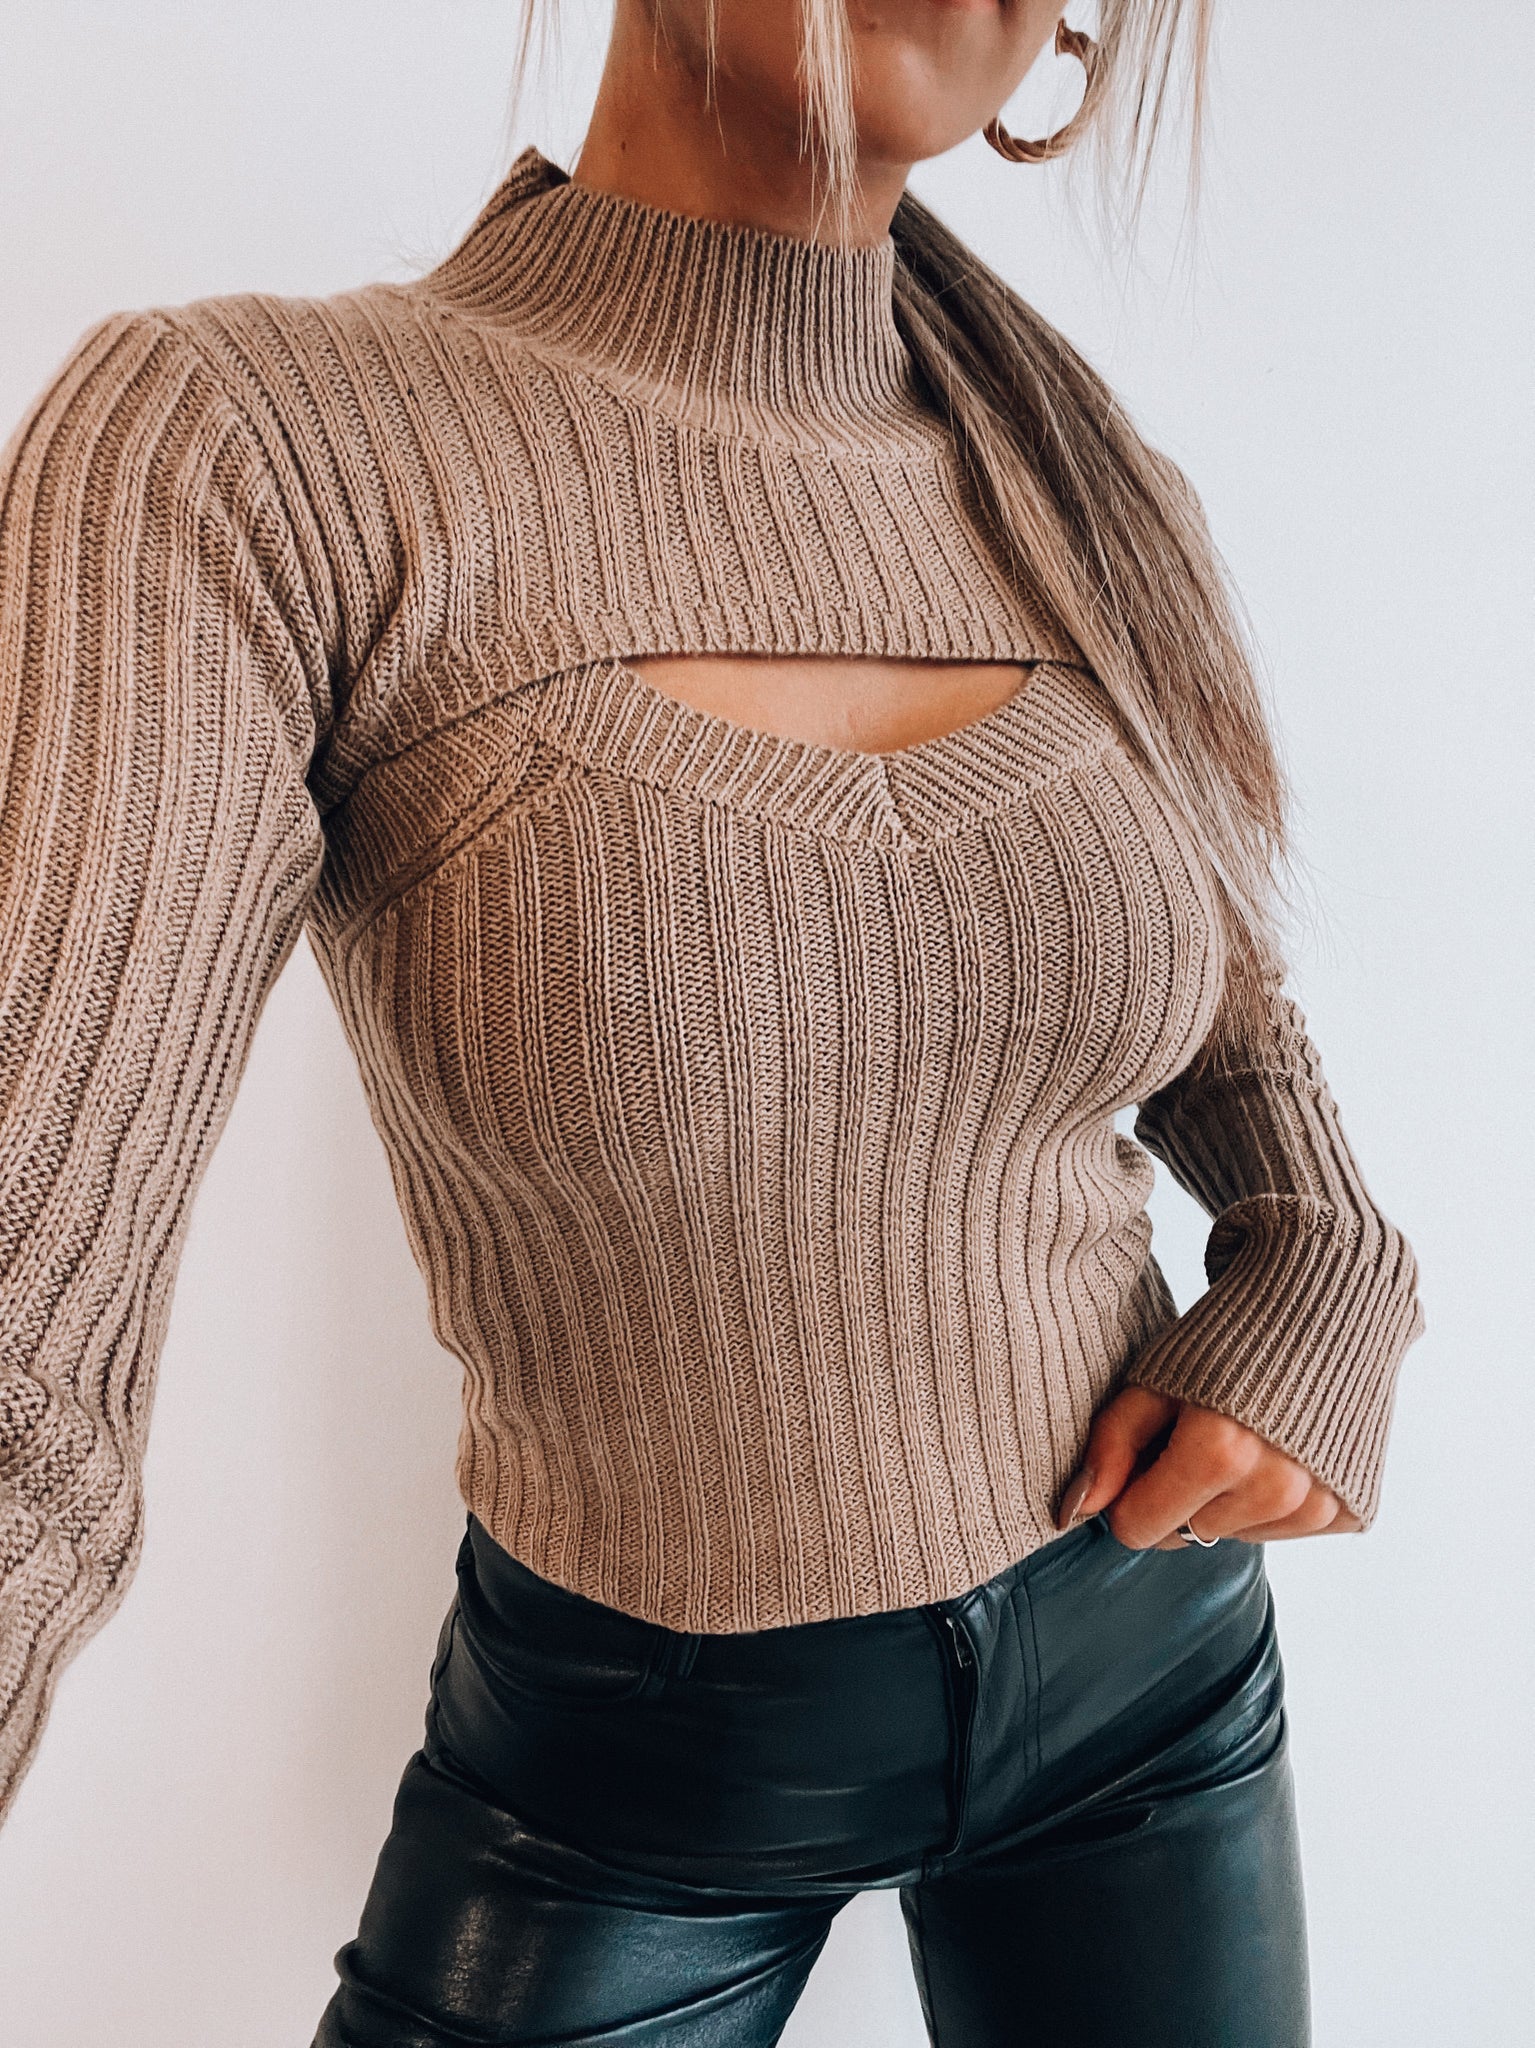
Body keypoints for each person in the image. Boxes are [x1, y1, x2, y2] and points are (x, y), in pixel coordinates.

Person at [0, 3, 1426, 2043]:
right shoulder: (256, 453)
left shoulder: (1085, 489)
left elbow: (1229, 1014)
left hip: (1156, 1679)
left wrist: (1330, 1255)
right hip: (629, 1785)